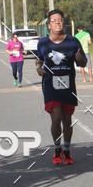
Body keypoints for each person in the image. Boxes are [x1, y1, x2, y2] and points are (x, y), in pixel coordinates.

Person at [36, 9, 87, 166]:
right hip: (50, 85)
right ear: (49, 25)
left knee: (67, 119)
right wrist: (39, 69)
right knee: (56, 117)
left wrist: (79, 58)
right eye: (54, 20)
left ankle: (66, 149)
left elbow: (83, 62)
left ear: (63, 23)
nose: (57, 22)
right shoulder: (43, 43)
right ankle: (57, 148)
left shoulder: (72, 41)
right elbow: (39, 61)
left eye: (60, 20)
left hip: (68, 85)